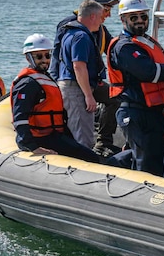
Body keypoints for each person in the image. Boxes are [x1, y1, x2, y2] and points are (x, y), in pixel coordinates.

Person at [107, 0, 164, 177]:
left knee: (151, 155)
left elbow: (157, 65)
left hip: (153, 111)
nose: (140, 21)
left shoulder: (145, 41)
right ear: (123, 19)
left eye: (144, 17)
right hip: (136, 112)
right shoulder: (124, 47)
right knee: (147, 162)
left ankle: (112, 167)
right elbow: (149, 72)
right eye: (134, 17)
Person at [11, 33, 102, 162]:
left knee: (89, 156)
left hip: (54, 135)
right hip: (41, 139)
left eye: (47, 55)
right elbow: (20, 118)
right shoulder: (27, 84)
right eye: (39, 56)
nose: (44, 60)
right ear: (28, 58)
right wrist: (33, 147)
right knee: (91, 158)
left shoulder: (45, 78)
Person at [51, 0, 121, 156]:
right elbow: (64, 58)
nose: (109, 15)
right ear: (94, 11)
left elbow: (114, 50)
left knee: (115, 97)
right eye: (107, 9)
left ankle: (103, 142)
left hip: (90, 81)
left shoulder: (100, 29)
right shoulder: (73, 28)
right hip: (73, 82)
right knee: (80, 130)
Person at [56, 0, 106, 149]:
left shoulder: (70, 32)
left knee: (76, 132)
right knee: (84, 138)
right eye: (100, 17)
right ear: (92, 17)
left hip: (69, 86)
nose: (101, 21)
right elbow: (79, 66)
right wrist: (88, 96)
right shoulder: (82, 37)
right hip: (76, 89)